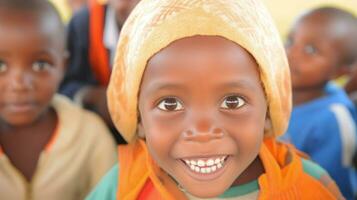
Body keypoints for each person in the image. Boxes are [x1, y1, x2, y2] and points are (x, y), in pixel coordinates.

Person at [86, 0, 344, 199]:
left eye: (232, 102)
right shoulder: (124, 185)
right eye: (170, 104)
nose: (202, 130)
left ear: (268, 110)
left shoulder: (310, 188)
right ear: (138, 117)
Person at [0, 0, 117, 199]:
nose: (19, 83)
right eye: (1, 66)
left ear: (63, 66)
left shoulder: (90, 137)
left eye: (40, 65)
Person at [283, 6, 357, 199]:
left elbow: (330, 185)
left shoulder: (333, 120)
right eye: (290, 41)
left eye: (310, 50)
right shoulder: (275, 89)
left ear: (340, 72)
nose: (291, 53)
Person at [59, 0, 140, 144]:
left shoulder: (174, 25)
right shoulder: (83, 25)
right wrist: (90, 96)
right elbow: (62, 87)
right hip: (100, 139)